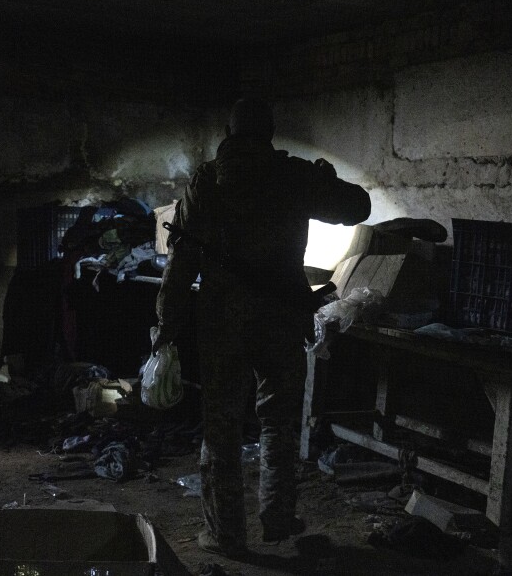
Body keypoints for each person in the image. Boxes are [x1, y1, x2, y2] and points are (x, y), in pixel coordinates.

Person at [154, 98, 371, 557]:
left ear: (229, 133)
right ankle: (276, 517)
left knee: (222, 430)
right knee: (277, 422)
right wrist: (325, 178)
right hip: (281, 316)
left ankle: (226, 534)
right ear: (269, 134)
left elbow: (180, 262)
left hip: (222, 321)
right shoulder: (293, 175)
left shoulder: (208, 179)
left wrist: (166, 327)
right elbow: (359, 207)